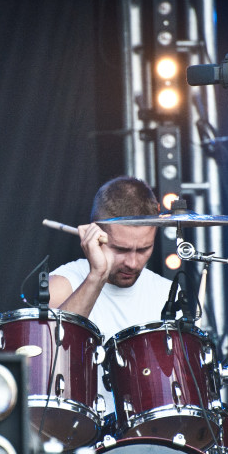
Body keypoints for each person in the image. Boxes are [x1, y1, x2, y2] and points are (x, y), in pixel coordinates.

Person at [49, 176, 176, 416]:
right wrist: (96, 275)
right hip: (79, 440)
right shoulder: (63, 284)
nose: (133, 262)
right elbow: (51, 360)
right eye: (121, 249)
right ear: (93, 235)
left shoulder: (168, 294)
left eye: (144, 249)